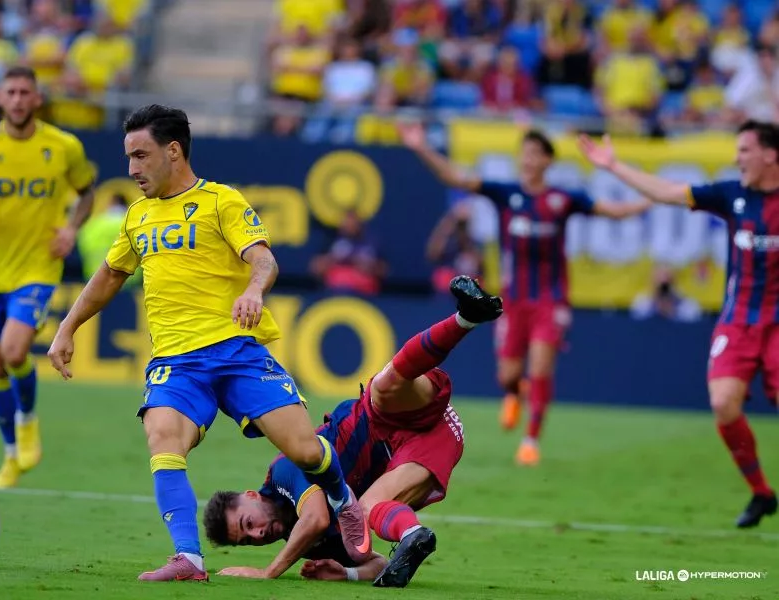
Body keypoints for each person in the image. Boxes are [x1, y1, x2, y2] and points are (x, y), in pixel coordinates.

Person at [46, 104, 370, 582]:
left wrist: (254, 290)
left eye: (141, 155)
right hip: (176, 362)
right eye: (128, 157)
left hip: (238, 353)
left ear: (173, 151)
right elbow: (111, 274)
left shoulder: (221, 201)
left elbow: (264, 260)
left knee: (305, 451)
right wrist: (67, 326)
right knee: (162, 438)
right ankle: (189, 559)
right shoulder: (137, 217)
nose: (132, 169)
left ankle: (343, 499)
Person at [202, 276, 502, 587]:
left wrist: (269, 571)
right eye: (250, 541)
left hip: (385, 417)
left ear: (250, 496)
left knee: (384, 387)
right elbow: (378, 563)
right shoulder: (308, 545)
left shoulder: (283, 473)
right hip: (429, 443)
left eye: (248, 523)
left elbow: (316, 517)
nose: (259, 534)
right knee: (369, 508)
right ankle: (413, 533)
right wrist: (346, 573)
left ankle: (467, 317)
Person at [398, 121, 651, 466]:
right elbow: (456, 178)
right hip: (513, 303)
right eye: (524, 154)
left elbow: (614, 211)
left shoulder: (562, 200)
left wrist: (651, 199)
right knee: (507, 376)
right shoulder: (506, 194)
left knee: (541, 366)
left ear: (548, 160)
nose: (528, 160)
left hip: (551, 300)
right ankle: (514, 394)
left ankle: (530, 440)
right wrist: (420, 146)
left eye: (535, 154)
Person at [577, 121, 779, 528]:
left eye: (745, 150)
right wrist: (614, 167)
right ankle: (761, 493)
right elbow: (668, 192)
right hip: (736, 323)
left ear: (770, 155)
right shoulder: (731, 194)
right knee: (723, 404)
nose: (738, 158)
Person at [0, 65, 96, 490]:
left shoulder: (62, 147)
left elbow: (87, 192)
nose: (20, 99)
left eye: (27, 92)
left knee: (12, 349)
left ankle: (27, 421)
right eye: (12, 92)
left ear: (38, 98)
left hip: (39, 267)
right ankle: (11, 454)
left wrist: (71, 229)